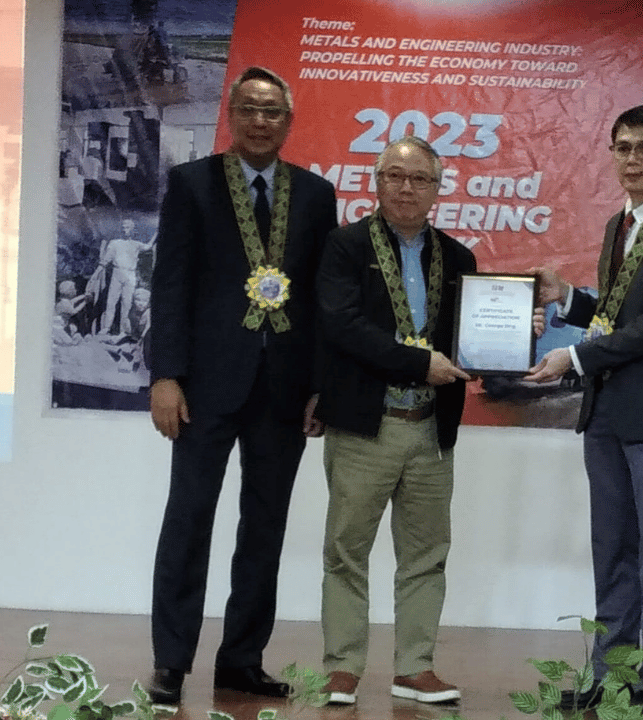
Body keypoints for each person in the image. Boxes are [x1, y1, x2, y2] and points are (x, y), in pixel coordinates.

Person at [144, 66, 337, 705]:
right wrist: (165, 375)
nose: (260, 120)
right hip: (203, 388)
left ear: (289, 121)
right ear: (231, 115)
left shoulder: (315, 194)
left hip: (283, 391)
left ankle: (242, 660)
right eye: (249, 108)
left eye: (272, 111)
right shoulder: (192, 184)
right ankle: (172, 661)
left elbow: (321, 300)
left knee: (265, 528)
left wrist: (320, 386)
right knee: (189, 519)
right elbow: (170, 284)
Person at [525, 105, 643, 720]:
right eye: (623, 147)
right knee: (612, 551)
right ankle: (610, 677)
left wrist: (574, 357)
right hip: (606, 410)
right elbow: (617, 313)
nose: (632, 158)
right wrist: (568, 298)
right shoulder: (618, 225)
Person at [314, 136, 476, 707]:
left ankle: (415, 667)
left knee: (426, 554)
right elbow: (342, 325)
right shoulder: (344, 247)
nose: (407, 189)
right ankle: (342, 667)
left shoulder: (458, 258)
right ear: (377, 182)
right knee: (346, 551)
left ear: (437, 189)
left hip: (431, 428)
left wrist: (509, 335)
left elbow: (467, 338)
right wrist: (416, 363)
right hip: (367, 424)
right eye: (395, 176)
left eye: (420, 179)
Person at [99, 218, 156, 337]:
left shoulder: (136, 244)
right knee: (111, 301)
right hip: (117, 272)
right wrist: (96, 273)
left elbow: (148, 247)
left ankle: (123, 331)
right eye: (123, 227)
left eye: (127, 227)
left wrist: (156, 233)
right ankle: (106, 328)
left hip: (130, 274)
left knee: (127, 303)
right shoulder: (115, 243)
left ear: (132, 230)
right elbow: (106, 260)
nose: (124, 230)